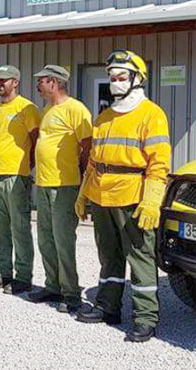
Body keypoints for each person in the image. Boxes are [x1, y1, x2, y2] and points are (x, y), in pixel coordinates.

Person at [74, 51, 170, 343]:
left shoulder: (152, 115)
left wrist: (152, 200)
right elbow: (94, 161)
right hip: (102, 198)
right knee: (109, 257)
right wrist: (84, 194)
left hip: (133, 197)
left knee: (140, 259)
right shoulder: (104, 116)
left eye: (121, 77)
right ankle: (108, 306)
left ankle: (145, 318)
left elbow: (159, 164)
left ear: (137, 79)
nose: (115, 82)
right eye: (112, 77)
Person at [29, 65, 92, 313]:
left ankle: (71, 293)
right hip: (44, 183)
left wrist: (85, 182)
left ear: (54, 82)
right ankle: (53, 285)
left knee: (63, 239)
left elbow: (87, 146)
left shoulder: (76, 110)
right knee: (46, 237)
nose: (38, 85)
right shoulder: (48, 110)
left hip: (64, 185)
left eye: (41, 81)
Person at [0, 65, 40, 294]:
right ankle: (3, 272)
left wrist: (28, 166)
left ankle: (23, 276)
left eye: (5, 80)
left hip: (17, 175)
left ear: (16, 82)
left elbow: (36, 140)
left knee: (20, 227)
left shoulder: (27, 108)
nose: (0, 84)